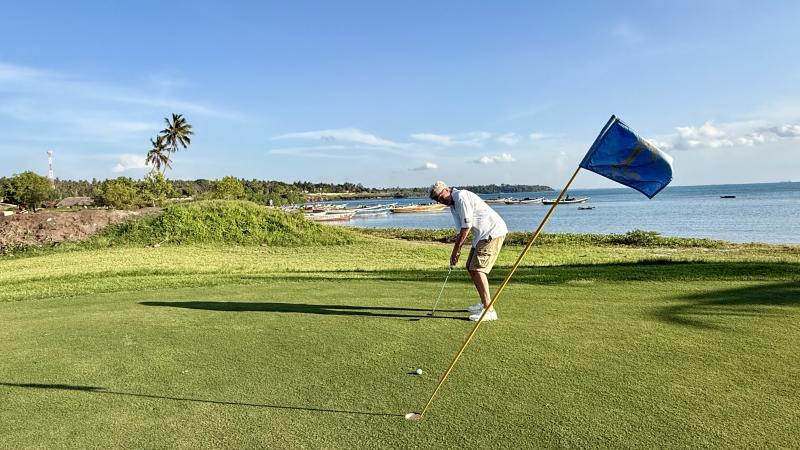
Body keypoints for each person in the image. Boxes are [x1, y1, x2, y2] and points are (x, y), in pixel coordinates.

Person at [429, 181, 507, 321]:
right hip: (481, 235)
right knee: (470, 267)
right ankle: (484, 303)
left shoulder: (461, 197)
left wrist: (455, 251)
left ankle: (489, 310)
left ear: (447, 190)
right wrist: (457, 250)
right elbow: (461, 230)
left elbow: (466, 227)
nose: (441, 201)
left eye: (441, 197)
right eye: (437, 200)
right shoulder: (453, 206)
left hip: (492, 232)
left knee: (477, 269)